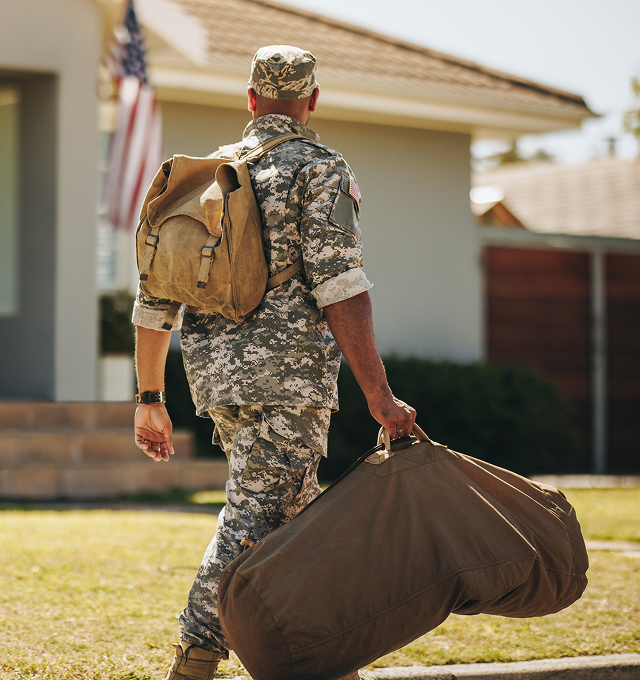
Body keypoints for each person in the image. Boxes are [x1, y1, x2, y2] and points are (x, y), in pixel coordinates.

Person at [132, 45, 416, 680]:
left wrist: (151, 400)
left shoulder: (206, 176)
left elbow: (154, 300)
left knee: (292, 513)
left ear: (252, 100)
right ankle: (195, 655)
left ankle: (315, 655)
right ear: (312, 102)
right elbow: (340, 283)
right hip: (288, 379)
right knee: (258, 513)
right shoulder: (319, 168)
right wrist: (379, 392)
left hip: (215, 380)